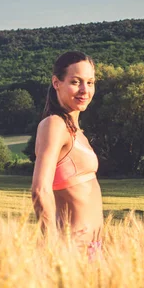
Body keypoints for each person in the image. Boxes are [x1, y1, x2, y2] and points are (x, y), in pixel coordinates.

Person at [31, 51, 103, 255]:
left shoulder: (76, 131)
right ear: (56, 82)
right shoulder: (54, 125)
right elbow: (40, 190)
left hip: (92, 248)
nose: (84, 90)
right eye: (76, 82)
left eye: (90, 82)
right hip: (71, 250)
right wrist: (53, 246)